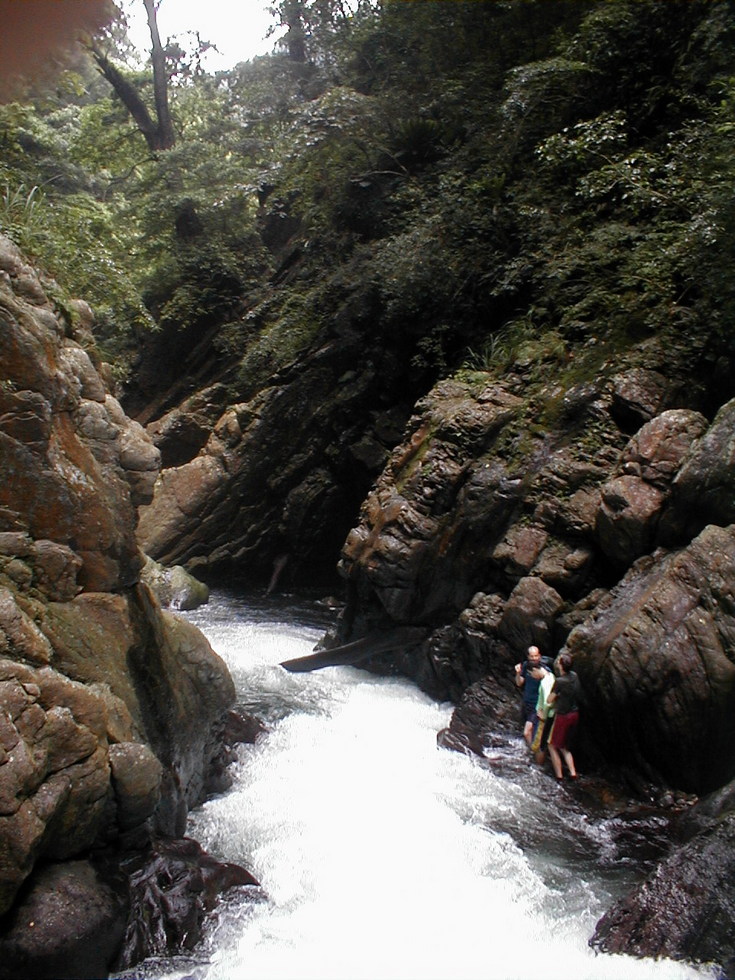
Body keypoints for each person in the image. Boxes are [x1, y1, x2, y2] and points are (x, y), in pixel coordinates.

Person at [547, 652, 582, 781]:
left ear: (561, 666)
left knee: (553, 745)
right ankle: (573, 773)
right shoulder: (575, 676)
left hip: (564, 716)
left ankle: (559, 776)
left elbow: (550, 699)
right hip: (575, 714)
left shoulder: (560, 681)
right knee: (565, 747)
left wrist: (556, 696)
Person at [514, 645, 547, 747]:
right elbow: (519, 683)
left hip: (536, 705)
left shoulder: (544, 670)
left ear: (539, 656)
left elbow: (550, 684)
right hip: (526, 702)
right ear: (528, 657)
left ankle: (533, 752)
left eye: (536, 656)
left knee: (527, 732)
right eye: (532, 656)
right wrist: (518, 673)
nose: (534, 659)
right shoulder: (525, 666)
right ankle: (532, 749)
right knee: (529, 731)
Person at [530, 662, 556, 765]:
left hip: (545, 717)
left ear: (535, 670)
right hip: (552, 715)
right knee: (544, 742)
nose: (533, 677)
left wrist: (543, 715)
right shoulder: (551, 676)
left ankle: (538, 766)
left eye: (532, 674)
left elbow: (547, 702)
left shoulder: (545, 682)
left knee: (540, 744)